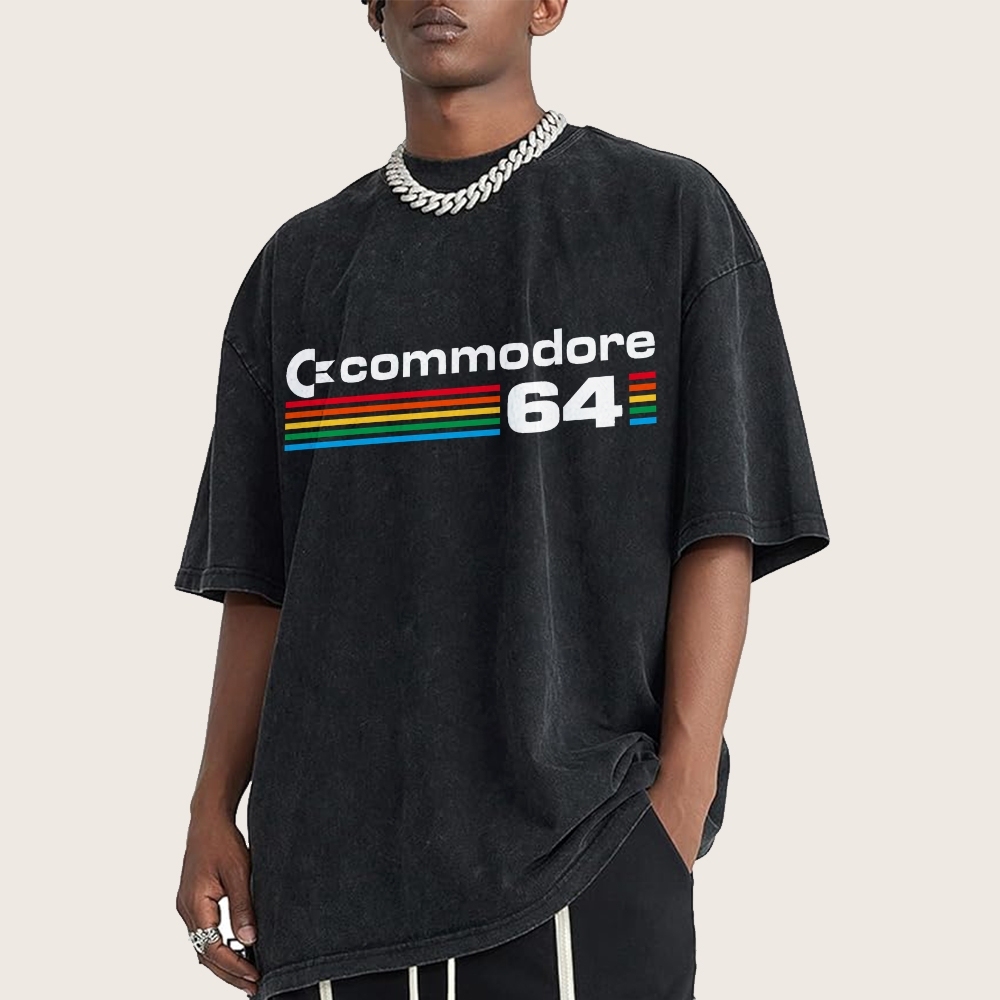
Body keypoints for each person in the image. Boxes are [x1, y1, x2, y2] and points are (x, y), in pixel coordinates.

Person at [173, 2, 831, 999]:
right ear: (372, 10)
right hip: (325, 889)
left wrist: (677, 804)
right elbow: (261, 580)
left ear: (546, 5)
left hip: (583, 859)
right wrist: (212, 805)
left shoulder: (665, 217)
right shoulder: (298, 269)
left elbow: (721, 525)